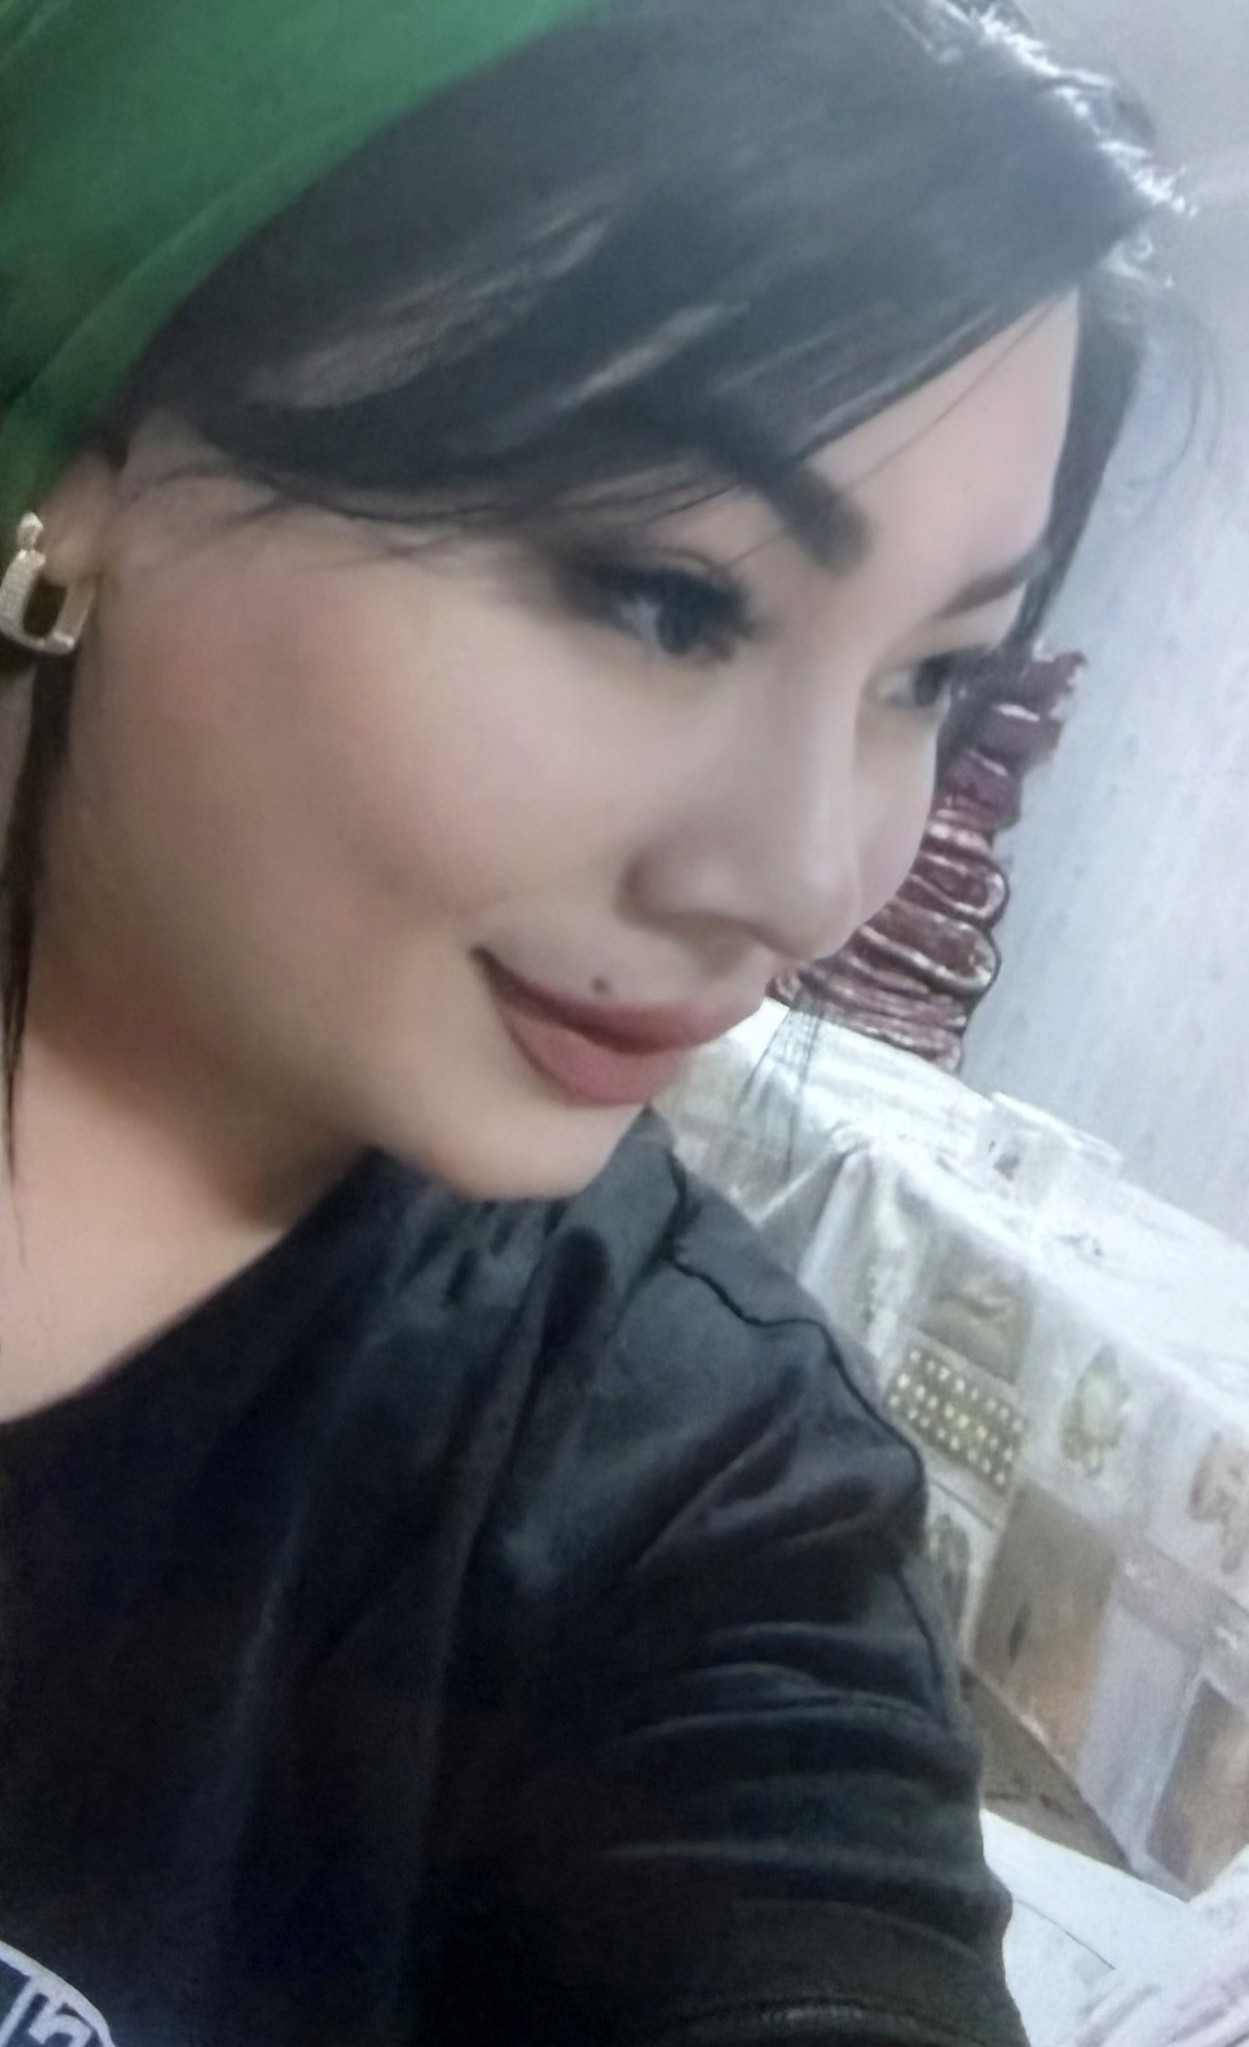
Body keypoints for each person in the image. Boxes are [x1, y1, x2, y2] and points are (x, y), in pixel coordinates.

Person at [0, 1, 1167, 2041]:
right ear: (88, 463)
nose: (807, 876)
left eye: (933, 677)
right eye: (660, 593)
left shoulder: (684, 1488)